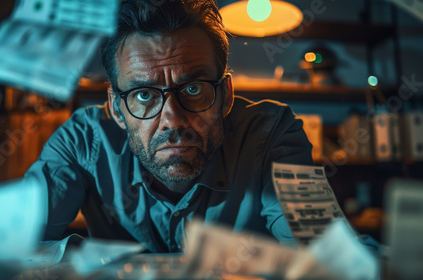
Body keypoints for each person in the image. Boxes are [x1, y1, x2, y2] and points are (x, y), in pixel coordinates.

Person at [24, 0, 313, 253]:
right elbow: (9, 247)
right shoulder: (82, 141)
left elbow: (321, 248)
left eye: (193, 88)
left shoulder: (272, 134)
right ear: (116, 108)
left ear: (225, 95)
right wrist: (87, 257)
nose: (172, 119)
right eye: (144, 95)